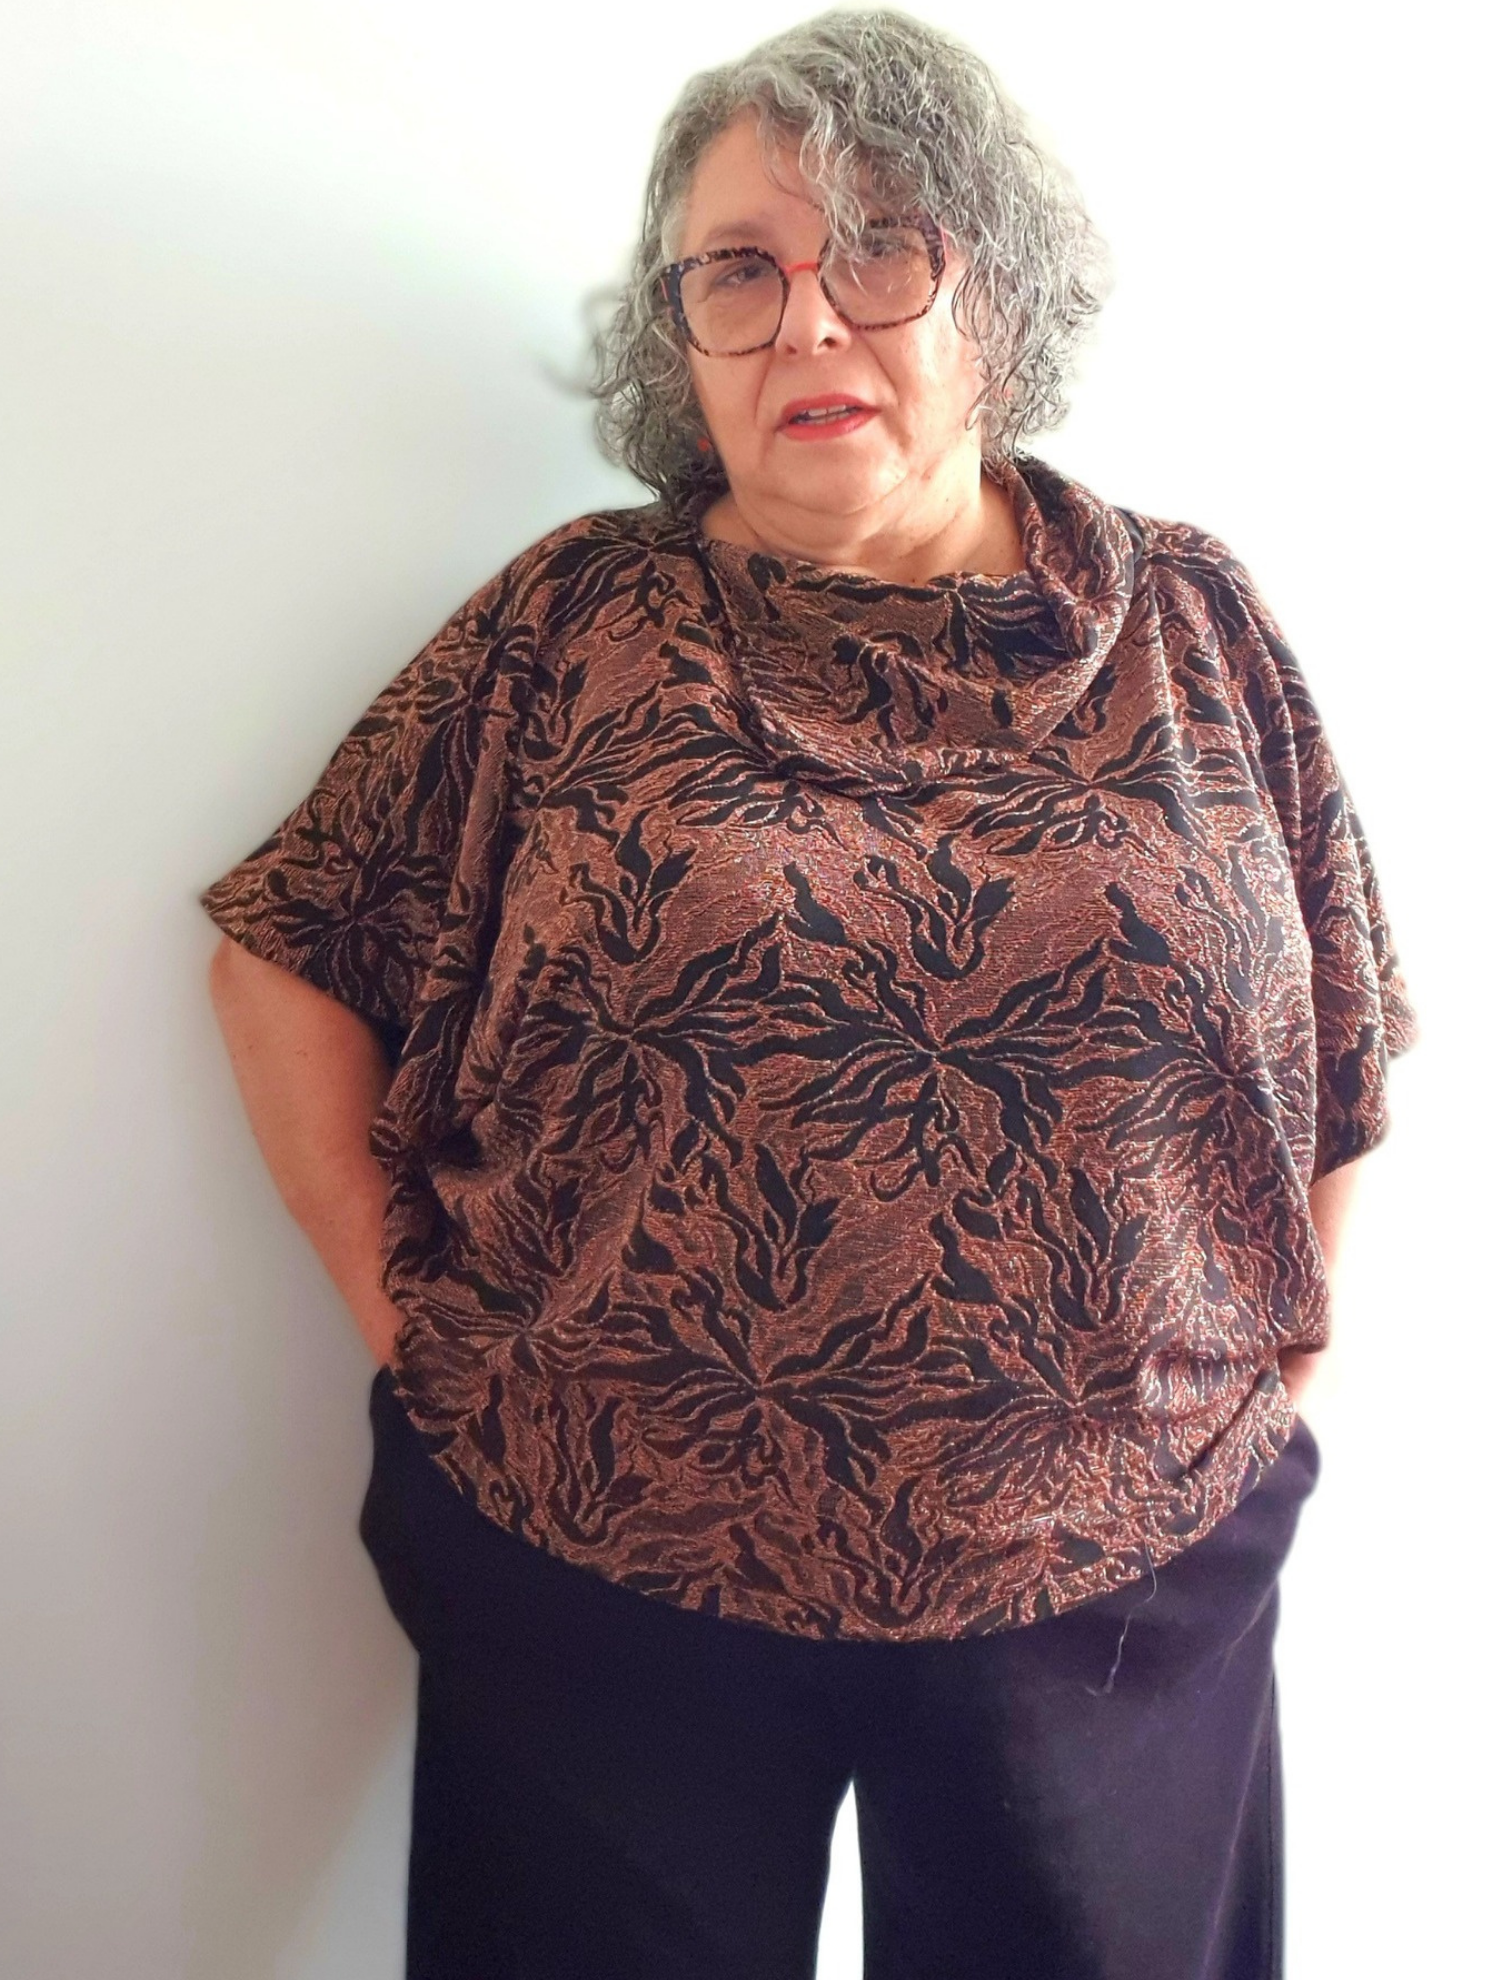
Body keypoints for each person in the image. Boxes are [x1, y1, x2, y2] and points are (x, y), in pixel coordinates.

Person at [199, 10, 1420, 1977]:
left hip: (1116, 1562)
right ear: (677, 336)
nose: (807, 322)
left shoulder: (1189, 621)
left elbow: (1344, 1032)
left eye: (879, 251)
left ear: (993, 295)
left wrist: (1286, 1384)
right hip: (602, 1544)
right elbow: (288, 950)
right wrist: (403, 1322)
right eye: (739, 271)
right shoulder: (572, 626)